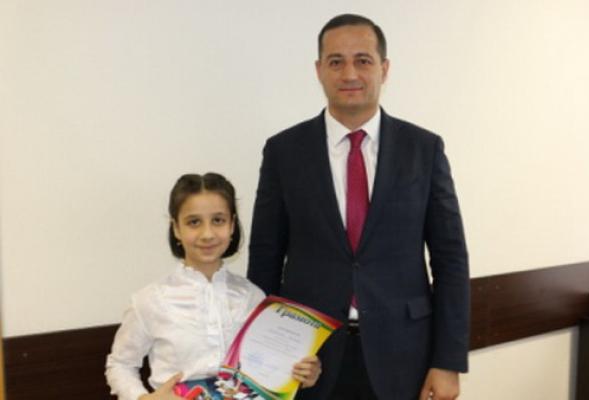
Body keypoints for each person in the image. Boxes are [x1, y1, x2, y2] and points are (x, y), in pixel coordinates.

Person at [247, 14, 470, 400]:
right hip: (307, 361)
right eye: (336, 61)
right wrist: (261, 359)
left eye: (363, 60)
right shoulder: (284, 151)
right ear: (319, 70)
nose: (349, 73)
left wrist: (448, 361)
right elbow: (265, 258)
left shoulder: (424, 149)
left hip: (405, 356)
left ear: (384, 68)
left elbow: (451, 259)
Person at [106, 173, 321, 400]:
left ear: (232, 225)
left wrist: (302, 373)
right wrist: (143, 398)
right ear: (176, 228)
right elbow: (120, 364)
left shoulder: (252, 297)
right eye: (194, 222)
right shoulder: (150, 300)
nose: (207, 234)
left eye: (218, 220)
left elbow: (270, 368)